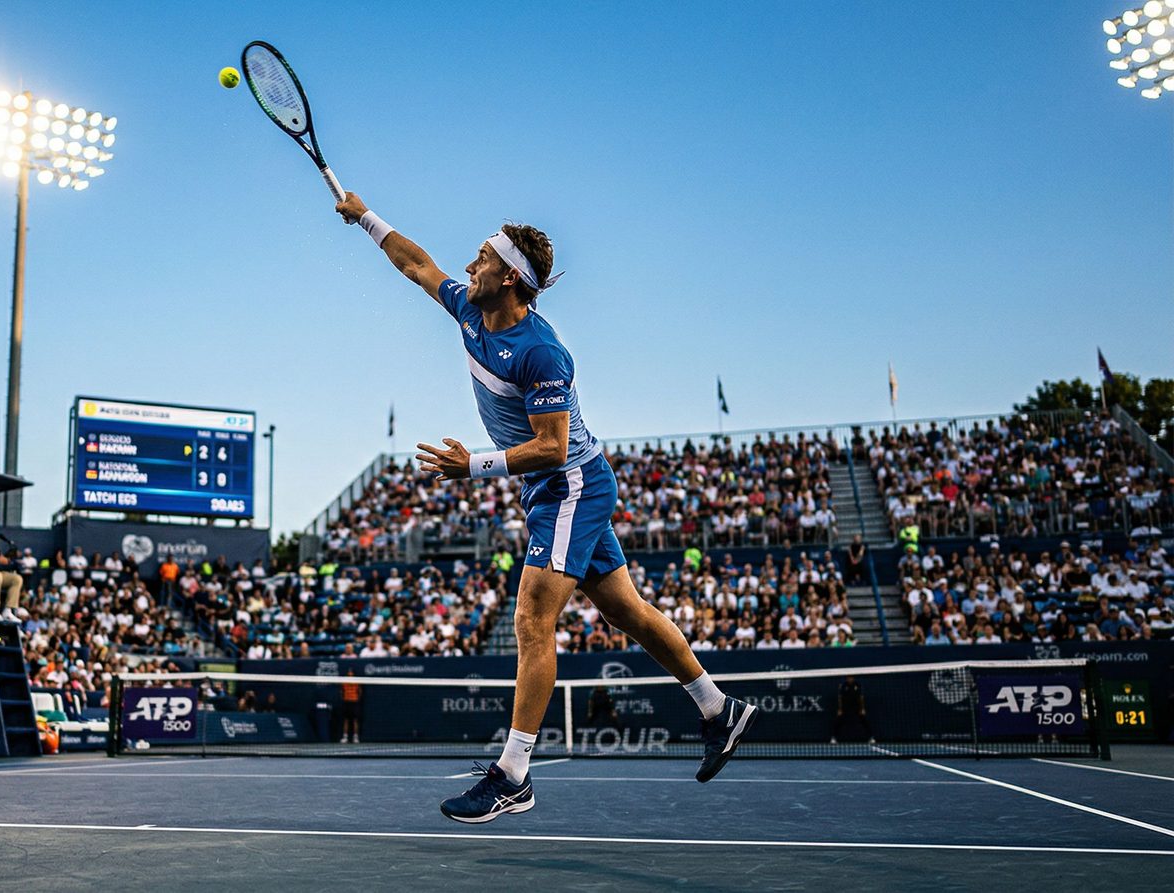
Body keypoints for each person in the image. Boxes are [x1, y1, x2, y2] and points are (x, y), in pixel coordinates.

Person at [334, 190, 756, 823]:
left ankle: (513, 773)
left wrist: (472, 464)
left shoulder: (541, 351)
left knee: (532, 618)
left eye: (480, 259)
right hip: (551, 491)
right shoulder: (472, 314)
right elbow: (415, 263)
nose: (466, 266)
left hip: (571, 486)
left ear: (509, 277)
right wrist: (365, 217)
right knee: (629, 612)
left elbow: (554, 447)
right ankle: (720, 709)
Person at [829, 675, 875, 744]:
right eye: (848, 678)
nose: (849, 679)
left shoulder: (858, 685)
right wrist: (840, 709)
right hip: (845, 707)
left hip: (856, 707)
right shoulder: (843, 685)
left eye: (851, 678)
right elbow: (840, 698)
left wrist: (862, 708)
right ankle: (834, 738)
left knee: (864, 721)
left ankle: (871, 737)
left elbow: (861, 697)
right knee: (839, 721)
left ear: (853, 678)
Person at [340, 670, 362, 744]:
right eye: (349, 675)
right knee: (347, 720)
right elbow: (341, 692)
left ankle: (355, 737)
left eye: (351, 675)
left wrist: (355, 698)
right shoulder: (344, 682)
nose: (350, 676)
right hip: (348, 702)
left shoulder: (356, 682)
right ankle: (345, 737)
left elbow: (359, 691)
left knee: (354, 720)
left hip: (353, 702)